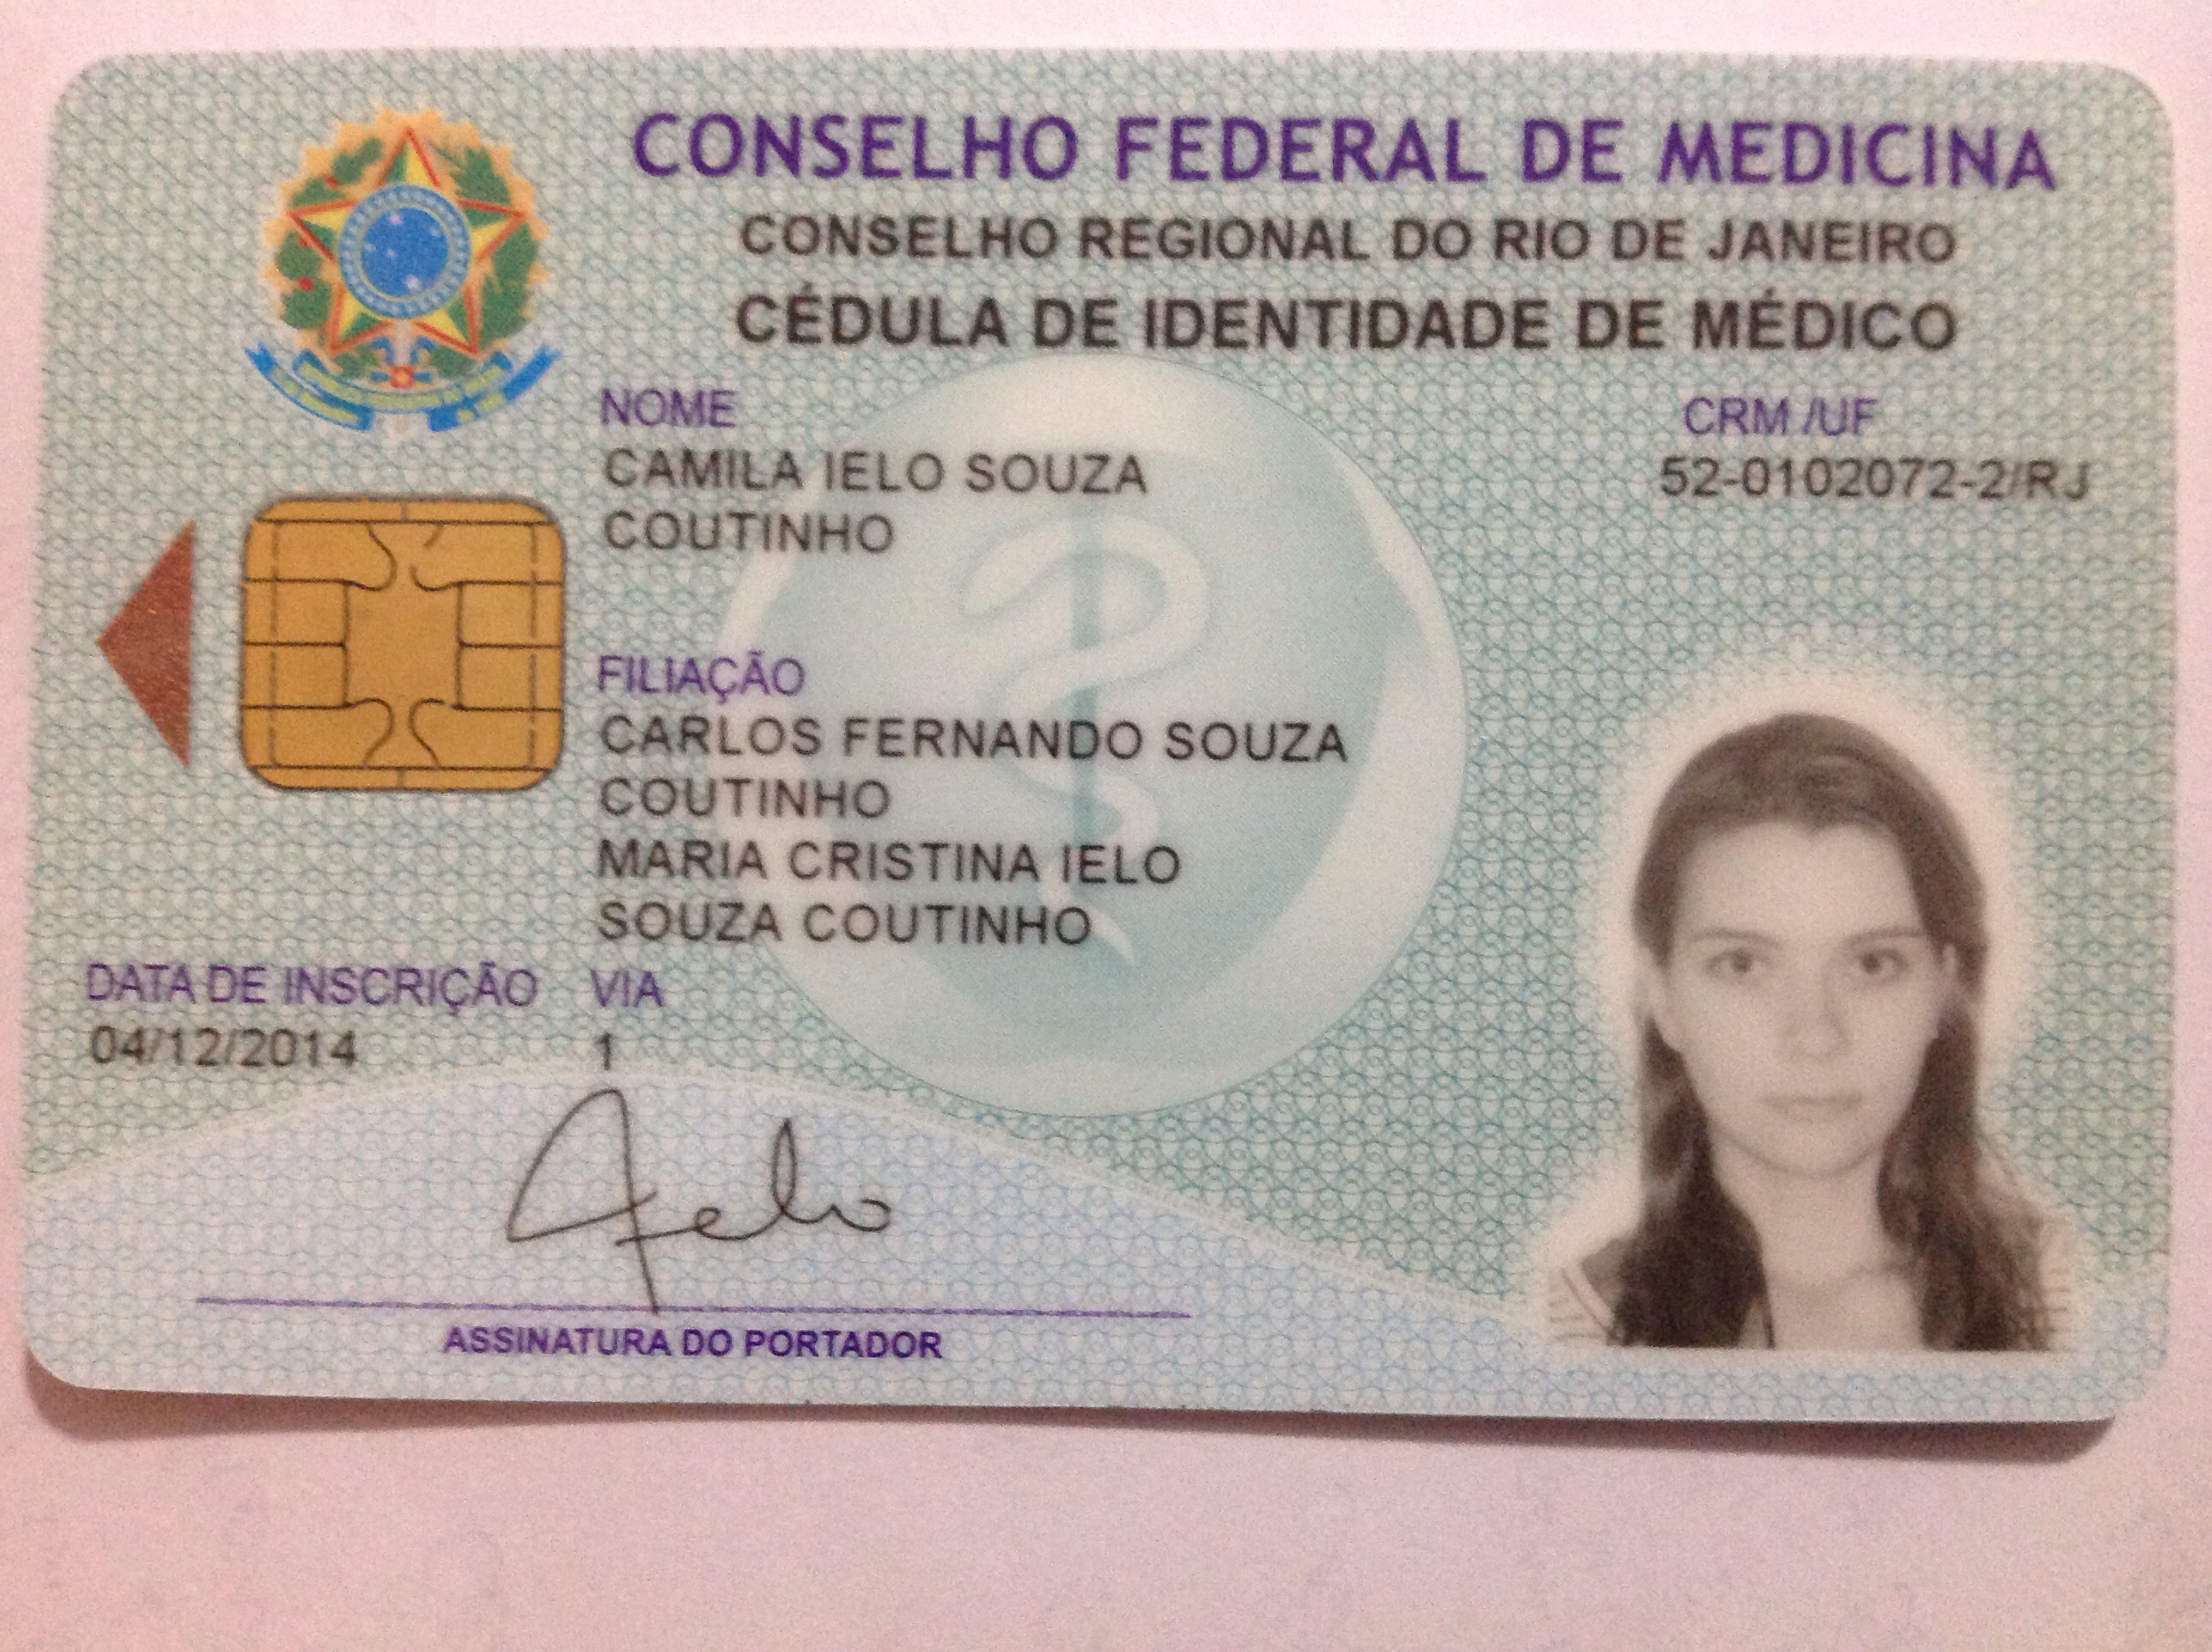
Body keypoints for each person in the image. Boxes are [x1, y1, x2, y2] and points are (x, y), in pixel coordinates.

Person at [1551, 712, 2061, 1350]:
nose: (1816, 1036)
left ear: (1943, 988)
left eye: (1872, 963)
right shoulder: (1560, 1335)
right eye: (1743, 964)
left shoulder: (2076, 1306)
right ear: (1662, 999)